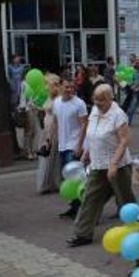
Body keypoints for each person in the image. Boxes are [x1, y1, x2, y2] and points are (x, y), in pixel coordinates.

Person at [67, 84, 134, 247]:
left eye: (102, 100)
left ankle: (137, 231)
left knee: (125, 201)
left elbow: (124, 140)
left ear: (111, 98)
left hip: (118, 166)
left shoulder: (118, 115)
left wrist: (114, 163)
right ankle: (83, 234)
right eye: (95, 99)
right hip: (97, 165)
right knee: (89, 197)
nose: (97, 103)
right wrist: (87, 152)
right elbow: (93, 135)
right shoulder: (95, 111)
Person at [53, 79, 88, 219]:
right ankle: (74, 207)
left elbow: (84, 125)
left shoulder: (79, 103)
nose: (70, 90)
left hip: (74, 145)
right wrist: (49, 140)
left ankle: (81, 209)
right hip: (62, 145)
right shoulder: (57, 102)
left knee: (76, 178)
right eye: (67, 87)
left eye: (72, 87)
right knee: (67, 177)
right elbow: (56, 122)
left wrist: (80, 145)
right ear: (60, 87)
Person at [33, 74, 62, 195]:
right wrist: (37, 107)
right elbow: (46, 109)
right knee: (46, 155)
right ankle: (48, 182)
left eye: (47, 84)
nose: (45, 87)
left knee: (51, 156)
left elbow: (55, 116)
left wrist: (50, 134)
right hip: (46, 127)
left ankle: (52, 182)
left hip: (53, 129)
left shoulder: (58, 99)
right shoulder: (49, 97)